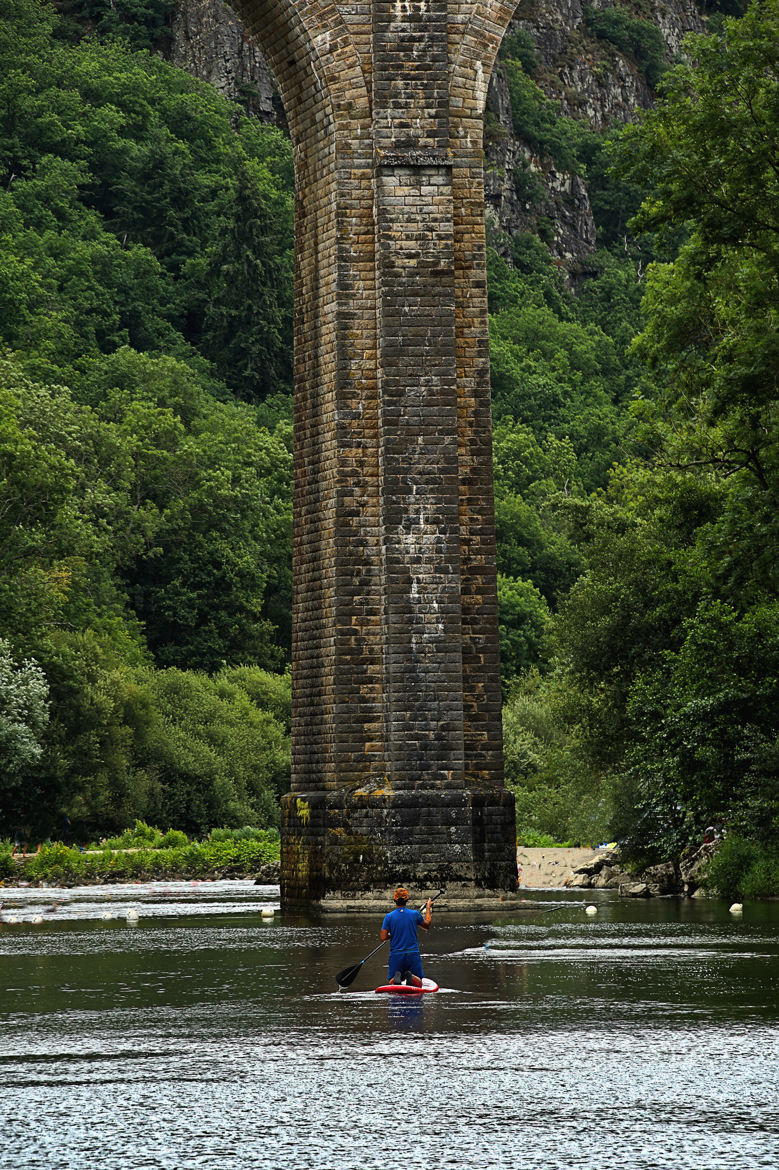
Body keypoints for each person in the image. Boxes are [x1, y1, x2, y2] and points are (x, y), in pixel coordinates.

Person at [380, 886, 432, 987]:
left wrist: (392, 935)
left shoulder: (388, 917)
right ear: (407, 900)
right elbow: (427, 925)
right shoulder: (415, 914)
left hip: (396, 954)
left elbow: (383, 937)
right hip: (412, 954)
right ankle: (411, 977)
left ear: (394, 900)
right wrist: (428, 908)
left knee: (391, 982)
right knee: (419, 983)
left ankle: (396, 977)